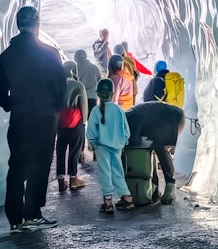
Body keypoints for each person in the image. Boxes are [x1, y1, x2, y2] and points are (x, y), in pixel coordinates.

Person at [0, 5, 66, 231]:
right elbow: (61, 88)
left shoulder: (6, 56)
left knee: (17, 165)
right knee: (40, 165)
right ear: (37, 24)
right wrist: (54, 110)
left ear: (17, 24)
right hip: (44, 119)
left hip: (20, 118)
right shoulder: (50, 53)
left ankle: (15, 219)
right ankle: (32, 214)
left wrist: (12, 105)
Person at [85, 78, 135, 214]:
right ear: (112, 93)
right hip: (117, 147)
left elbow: (91, 132)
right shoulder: (119, 110)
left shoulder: (96, 111)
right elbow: (126, 130)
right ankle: (127, 198)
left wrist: (93, 144)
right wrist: (123, 141)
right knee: (118, 171)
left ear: (98, 94)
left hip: (102, 147)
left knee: (105, 173)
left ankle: (108, 203)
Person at [125, 100, 186, 204]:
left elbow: (134, 141)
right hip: (172, 116)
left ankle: (170, 187)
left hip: (173, 118)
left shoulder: (130, 119)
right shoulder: (129, 115)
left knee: (160, 147)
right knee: (150, 149)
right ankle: (155, 191)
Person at [56, 61, 89, 192]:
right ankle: (73, 179)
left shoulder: (57, 84)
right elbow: (84, 106)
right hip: (76, 122)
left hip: (60, 121)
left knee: (60, 150)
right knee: (74, 151)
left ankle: (60, 179)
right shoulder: (78, 85)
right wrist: (84, 121)